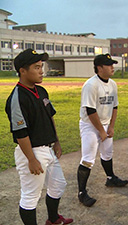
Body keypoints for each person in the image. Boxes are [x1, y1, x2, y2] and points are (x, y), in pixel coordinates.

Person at [5, 49, 73, 225]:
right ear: (22, 71)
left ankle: (53, 219)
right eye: (36, 67)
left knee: (58, 185)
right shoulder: (17, 97)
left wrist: (56, 142)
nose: (41, 71)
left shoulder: (41, 91)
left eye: (41, 66)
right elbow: (20, 132)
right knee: (30, 196)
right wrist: (31, 159)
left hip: (47, 148)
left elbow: (50, 117)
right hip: (32, 150)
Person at [77, 53, 128, 207]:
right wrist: (101, 131)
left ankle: (110, 178)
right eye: (108, 65)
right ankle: (81, 192)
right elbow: (90, 110)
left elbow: (115, 106)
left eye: (113, 64)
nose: (113, 67)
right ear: (99, 68)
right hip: (90, 125)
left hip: (105, 124)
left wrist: (111, 127)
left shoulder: (112, 84)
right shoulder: (91, 85)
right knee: (88, 159)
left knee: (107, 153)